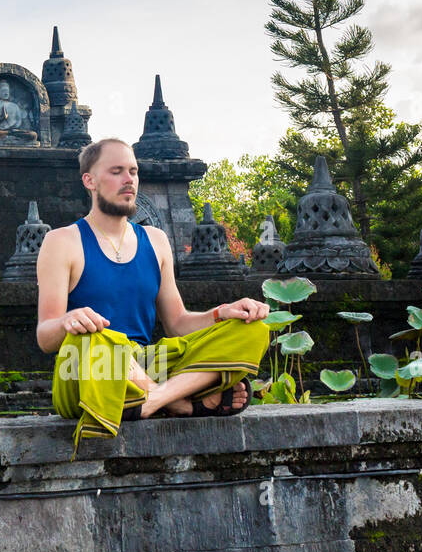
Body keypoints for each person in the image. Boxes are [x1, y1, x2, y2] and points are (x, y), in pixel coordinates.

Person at [36, 137, 270, 446]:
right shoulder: (62, 241)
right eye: (117, 171)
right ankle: (182, 402)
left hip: (146, 363)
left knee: (252, 330)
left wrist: (221, 313)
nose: (129, 180)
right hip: (87, 368)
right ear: (89, 180)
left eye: (133, 171)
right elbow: (44, 335)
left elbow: (177, 323)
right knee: (97, 336)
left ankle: (151, 400)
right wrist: (69, 321)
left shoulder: (156, 240)